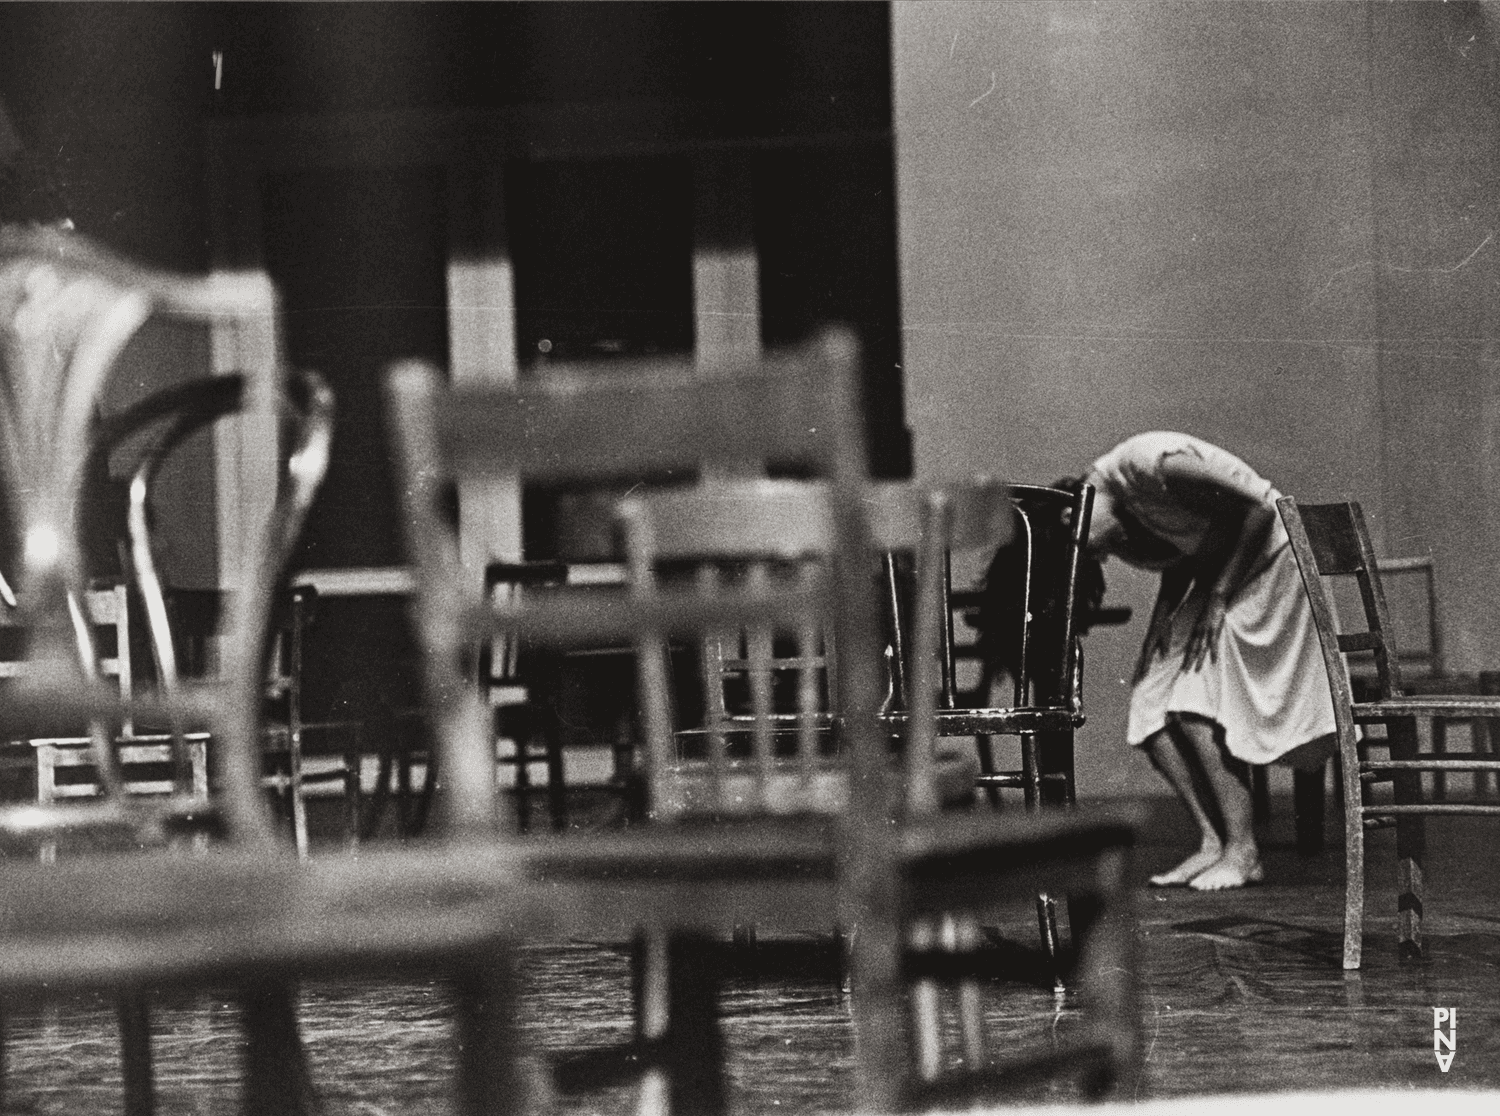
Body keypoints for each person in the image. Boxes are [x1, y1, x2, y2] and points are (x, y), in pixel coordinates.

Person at [1080, 431, 1336, 890]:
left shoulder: (1146, 464)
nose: (1097, 555)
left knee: (1193, 701)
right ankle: (1213, 842)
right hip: (1230, 575)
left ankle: (1244, 851)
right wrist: (1160, 625)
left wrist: (1216, 599)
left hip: (1274, 564)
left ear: (1071, 510)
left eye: (1085, 546)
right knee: (1150, 701)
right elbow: (1193, 549)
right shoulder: (1126, 497)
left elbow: (1259, 507)